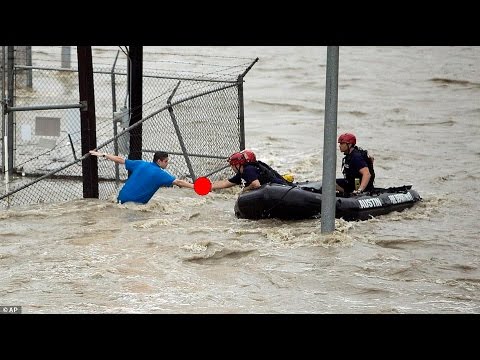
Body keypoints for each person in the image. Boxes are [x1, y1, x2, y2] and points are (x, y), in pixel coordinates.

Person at [89, 150, 194, 204]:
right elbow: (179, 182)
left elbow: (120, 160)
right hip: (134, 205)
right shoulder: (160, 174)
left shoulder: (140, 163)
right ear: (159, 161)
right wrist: (195, 187)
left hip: (120, 198)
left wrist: (103, 154)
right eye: (166, 161)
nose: (167, 163)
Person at [211, 149, 291, 192]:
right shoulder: (242, 173)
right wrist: (210, 186)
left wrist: (245, 189)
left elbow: (256, 184)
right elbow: (226, 183)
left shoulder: (248, 169)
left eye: (232, 165)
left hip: (280, 189)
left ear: (238, 165)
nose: (232, 168)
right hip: (278, 188)